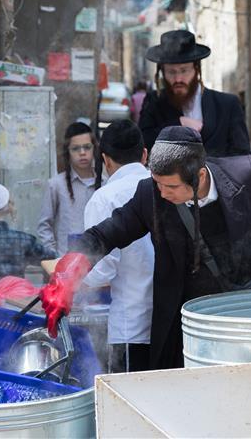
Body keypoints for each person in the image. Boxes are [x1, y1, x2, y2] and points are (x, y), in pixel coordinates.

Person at [50, 126, 251, 370]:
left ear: (199, 176)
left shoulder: (246, 175)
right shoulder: (151, 194)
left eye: (171, 186)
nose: (163, 193)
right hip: (198, 317)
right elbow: (109, 232)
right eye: (157, 183)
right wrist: (72, 267)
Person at [81, 120, 154, 373]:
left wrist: (73, 279)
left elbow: (101, 268)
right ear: (144, 154)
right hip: (170, 322)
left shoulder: (105, 198)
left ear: (106, 160)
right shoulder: (164, 187)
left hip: (131, 325)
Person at [138, 30, 251, 157]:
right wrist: (177, 124)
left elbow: (243, 157)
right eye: (171, 72)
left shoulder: (227, 104)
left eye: (184, 70)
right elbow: (142, 146)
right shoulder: (153, 102)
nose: (178, 79)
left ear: (196, 69)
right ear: (162, 72)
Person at [37, 122, 96, 254]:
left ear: (94, 149)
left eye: (87, 147)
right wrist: (54, 256)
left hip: (98, 263)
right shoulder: (56, 185)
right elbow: (44, 226)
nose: (82, 153)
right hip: (65, 262)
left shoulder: (105, 183)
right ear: (67, 152)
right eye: (75, 149)